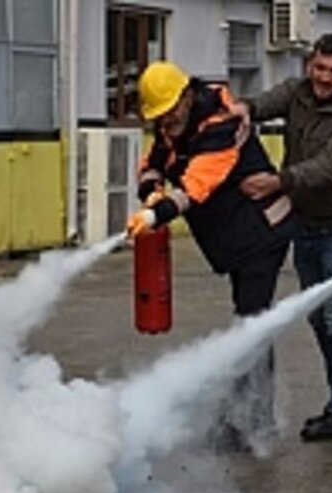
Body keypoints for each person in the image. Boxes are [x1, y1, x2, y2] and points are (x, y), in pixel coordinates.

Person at [126, 61, 297, 452]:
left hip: (263, 231)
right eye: (158, 117)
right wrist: (150, 191)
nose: (163, 123)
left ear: (186, 97)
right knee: (249, 321)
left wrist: (155, 213)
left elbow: (197, 187)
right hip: (234, 236)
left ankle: (253, 420)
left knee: (251, 322)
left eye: (168, 114)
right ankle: (245, 415)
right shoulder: (173, 126)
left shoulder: (220, 127)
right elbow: (151, 163)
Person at [228, 33, 332, 442]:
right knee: (318, 318)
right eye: (321, 68)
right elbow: (265, 101)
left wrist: (279, 181)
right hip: (304, 226)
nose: (326, 78)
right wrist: (243, 109)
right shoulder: (296, 92)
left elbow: (331, 168)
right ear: (310, 64)